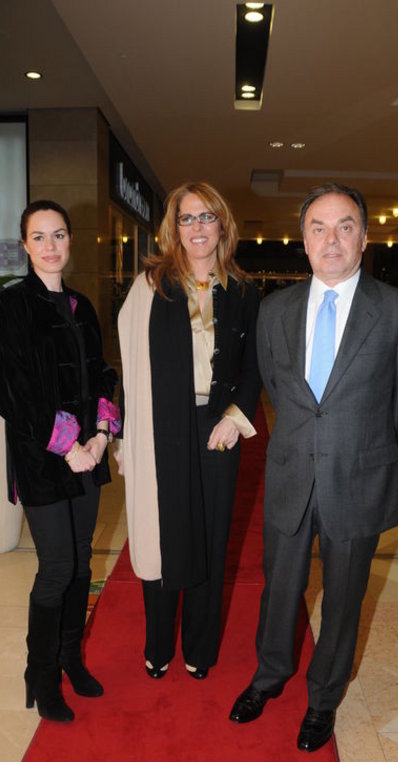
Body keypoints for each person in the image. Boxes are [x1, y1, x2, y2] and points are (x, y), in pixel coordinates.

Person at [229, 183, 398, 751]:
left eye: (345, 227)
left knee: (343, 597)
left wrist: (360, 446)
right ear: (304, 239)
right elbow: (276, 389)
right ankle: (269, 676)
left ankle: (323, 698)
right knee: (279, 587)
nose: (332, 239)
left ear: (364, 238)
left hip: (358, 477)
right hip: (291, 473)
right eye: (319, 228)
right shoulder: (274, 310)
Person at [115, 181, 261, 681]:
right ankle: (158, 644)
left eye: (206, 216)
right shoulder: (151, 286)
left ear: (222, 224)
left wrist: (235, 418)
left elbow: (254, 366)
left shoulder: (244, 291)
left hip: (218, 426)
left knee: (210, 539)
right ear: (173, 228)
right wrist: (123, 437)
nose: (197, 227)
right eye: (187, 218)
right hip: (162, 426)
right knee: (162, 535)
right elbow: (131, 367)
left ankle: (200, 646)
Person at [0, 199, 120, 723]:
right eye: (39, 237)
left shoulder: (82, 306)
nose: (50, 246)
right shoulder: (13, 305)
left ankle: (70, 657)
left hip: (88, 454)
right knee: (58, 566)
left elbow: (102, 374)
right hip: (43, 459)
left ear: (70, 240)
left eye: (59, 235)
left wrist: (103, 434)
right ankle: (40, 673)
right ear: (25, 245)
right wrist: (69, 446)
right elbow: (12, 394)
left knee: (83, 562)